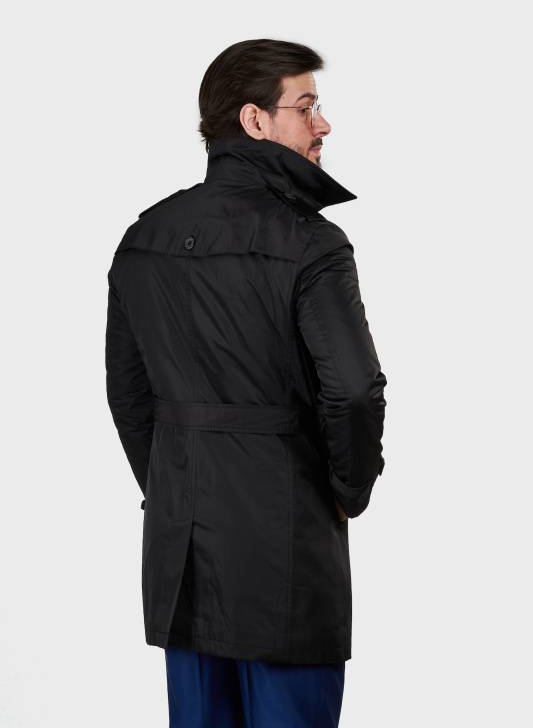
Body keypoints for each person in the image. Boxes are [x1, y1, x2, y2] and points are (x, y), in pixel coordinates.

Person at [105, 38, 387, 728]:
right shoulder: (311, 242)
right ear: (255, 120)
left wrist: (171, 486)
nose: (322, 124)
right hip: (282, 538)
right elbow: (353, 390)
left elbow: (128, 394)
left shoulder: (145, 236)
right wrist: (348, 490)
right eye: (306, 107)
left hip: (180, 547)